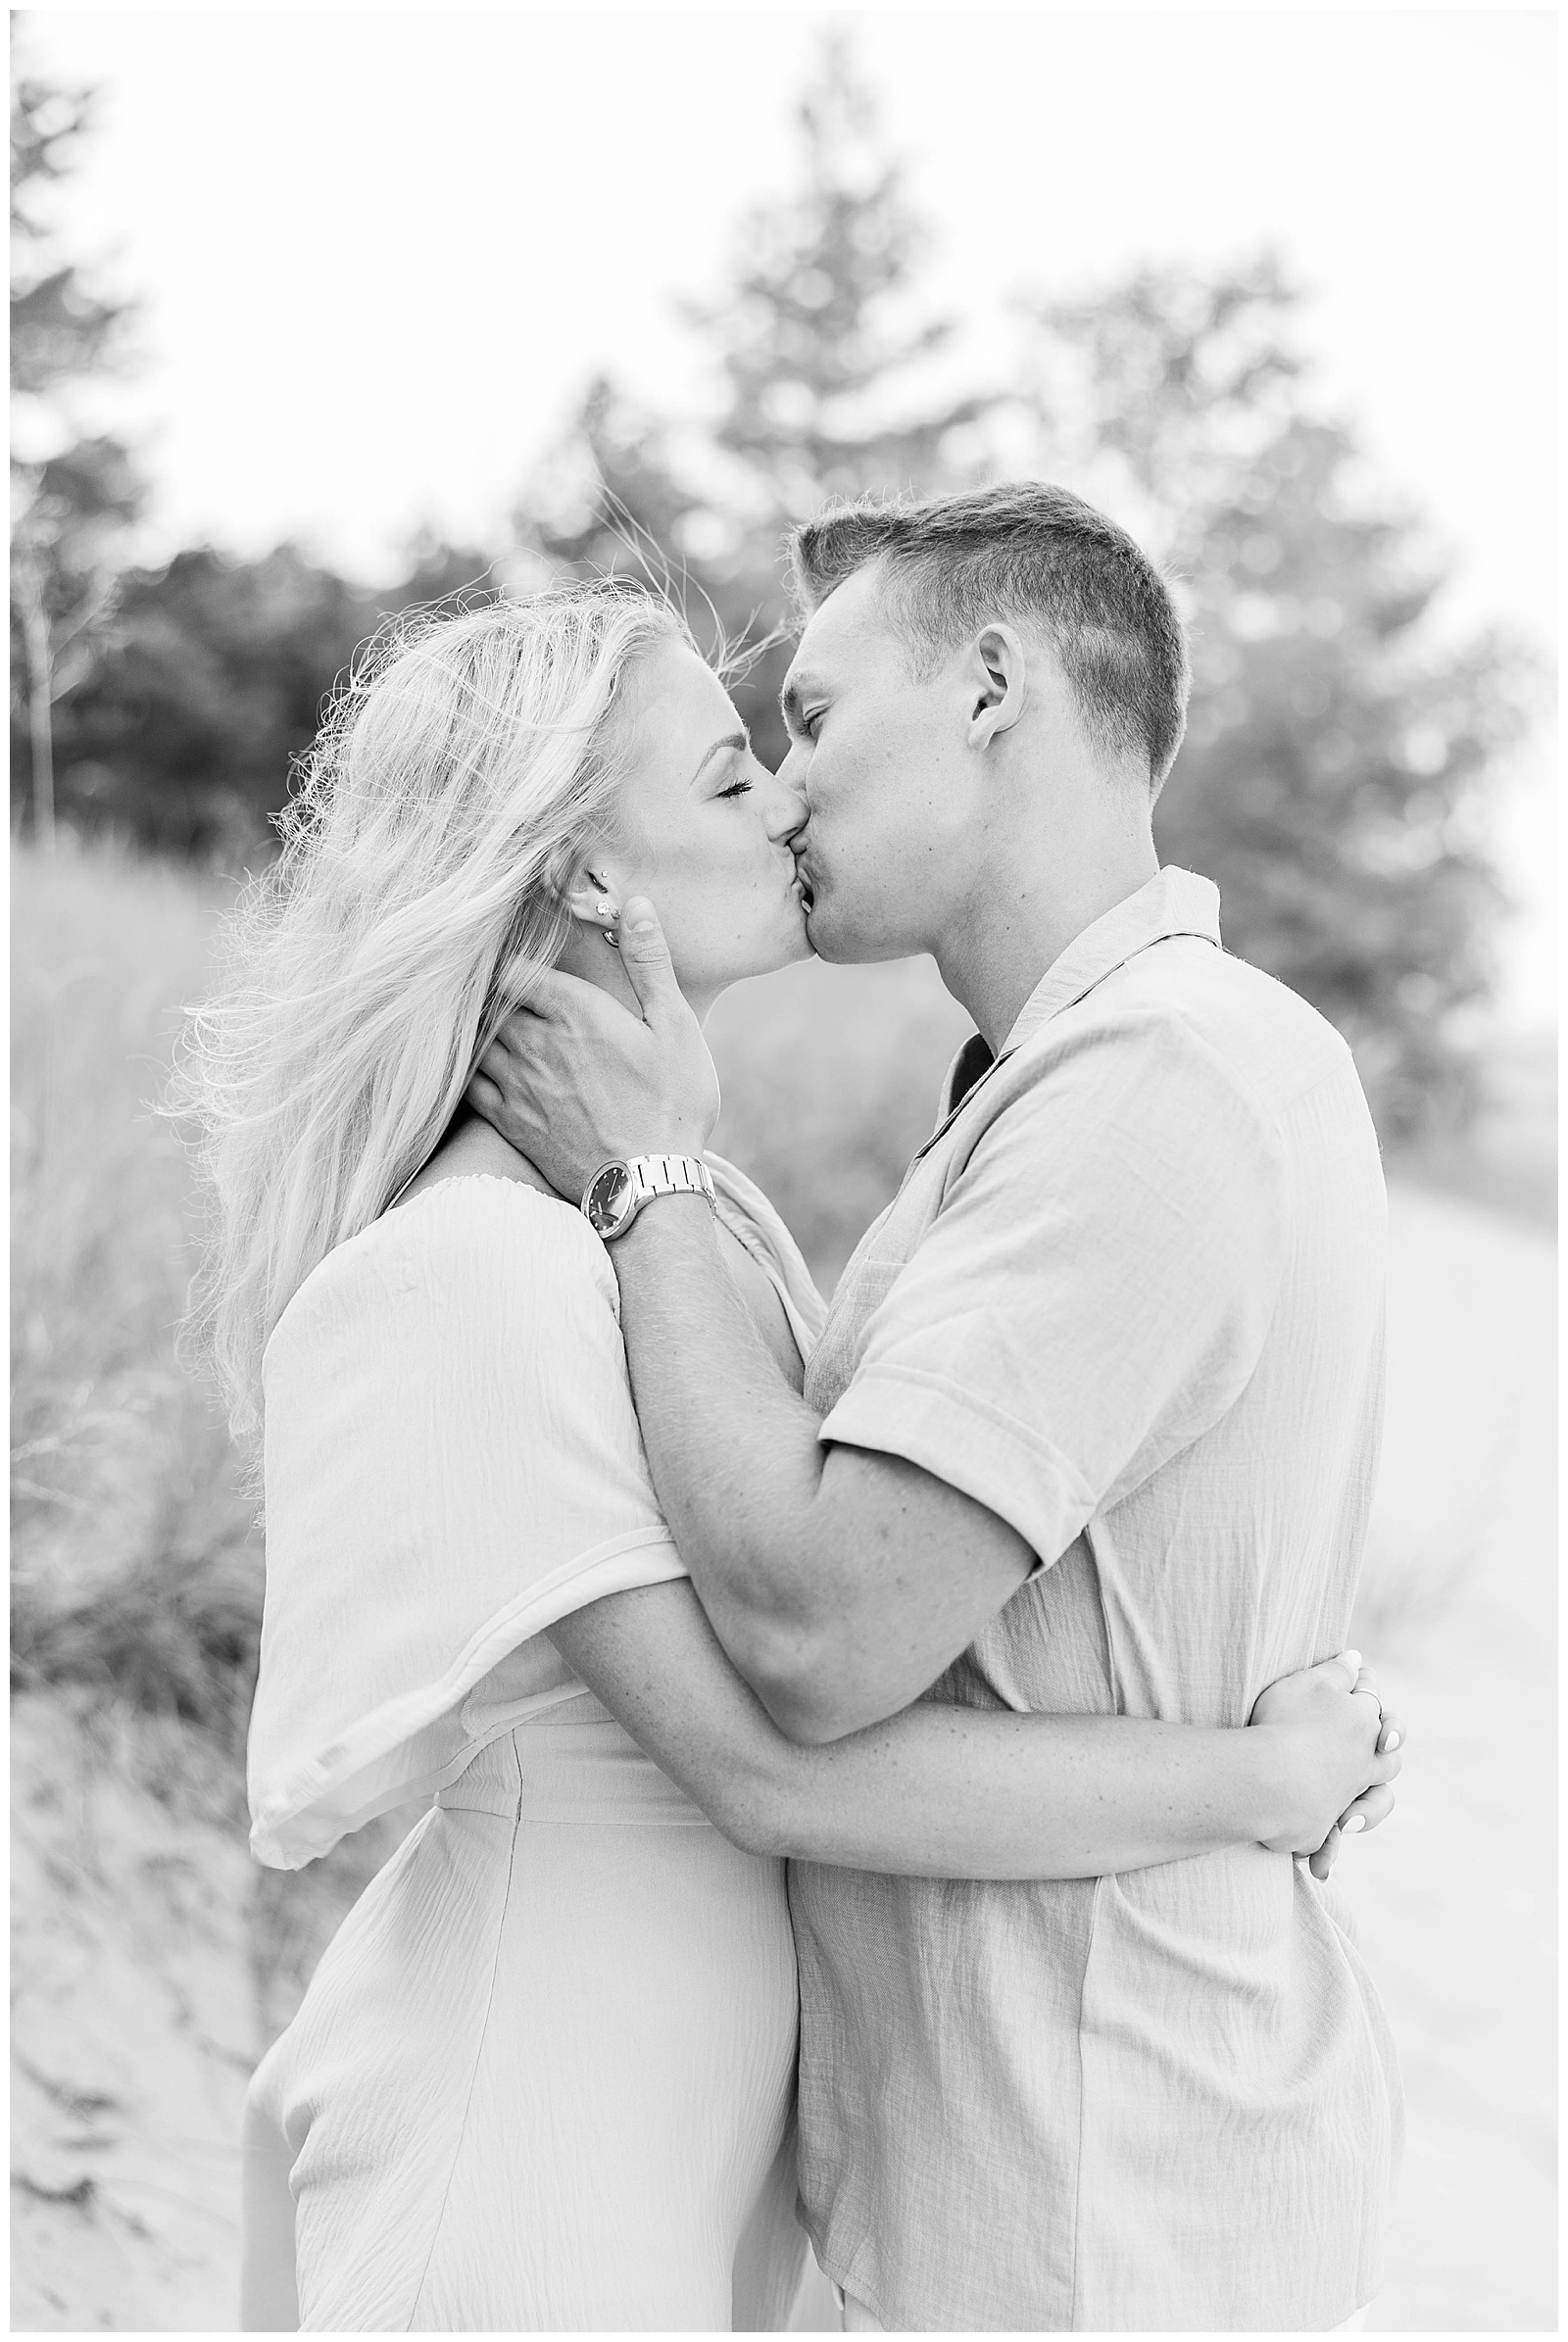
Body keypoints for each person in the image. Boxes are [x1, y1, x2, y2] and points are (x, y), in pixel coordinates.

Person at [180, 585, 1397, 2335]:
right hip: (538, 2114)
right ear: (583, 872)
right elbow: (770, 1756)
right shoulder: (489, 1259)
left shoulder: (653, 1217)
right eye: (733, 771)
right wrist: (1251, 1787)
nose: (789, 800)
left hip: (679, 2123)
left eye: (791, 747)